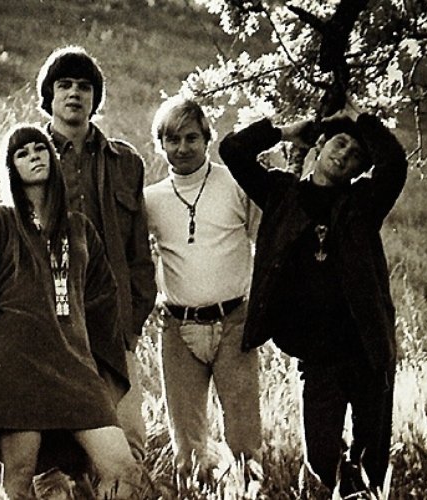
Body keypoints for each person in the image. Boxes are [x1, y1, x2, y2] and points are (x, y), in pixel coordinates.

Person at [218, 103, 407, 495]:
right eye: (340, 143)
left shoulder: (364, 202)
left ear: (360, 169)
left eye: (356, 155)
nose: (345, 154)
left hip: (366, 350)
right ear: (320, 146)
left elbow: (394, 164)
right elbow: (232, 150)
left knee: (371, 463)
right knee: (322, 459)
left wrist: (360, 119)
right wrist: (287, 132)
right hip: (317, 356)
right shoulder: (280, 194)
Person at [0, 124, 140, 499]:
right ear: (11, 168)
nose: (34, 156)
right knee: (20, 476)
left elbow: (102, 299)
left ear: (52, 156)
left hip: (75, 366)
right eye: (22, 153)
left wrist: (99, 357)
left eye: (40, 148)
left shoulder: (80, 229)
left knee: (123, 470)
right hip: (18, 369)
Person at [36, 46, 157, 464]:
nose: (75, 93)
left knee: (128, 440)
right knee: (57, 451)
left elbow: (139, 250)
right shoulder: (28, 155)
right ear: (49, 95)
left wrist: (134, 320)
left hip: (114, 322)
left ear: (95, 97)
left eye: (84, 87)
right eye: (64, 85)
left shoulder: (125, 161)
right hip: (54, 322)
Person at [144, 96, 262, 478]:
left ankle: (247, 489)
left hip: (234, 322)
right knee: (187, 444)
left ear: (207, 139)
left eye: (191, 138)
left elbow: (265, 241)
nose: (182, 148)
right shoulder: (151, 200)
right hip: (178, 328)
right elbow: (135, 257)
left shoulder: (236, 184)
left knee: (244, 438)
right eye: (172, 139)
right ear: (161, 144)